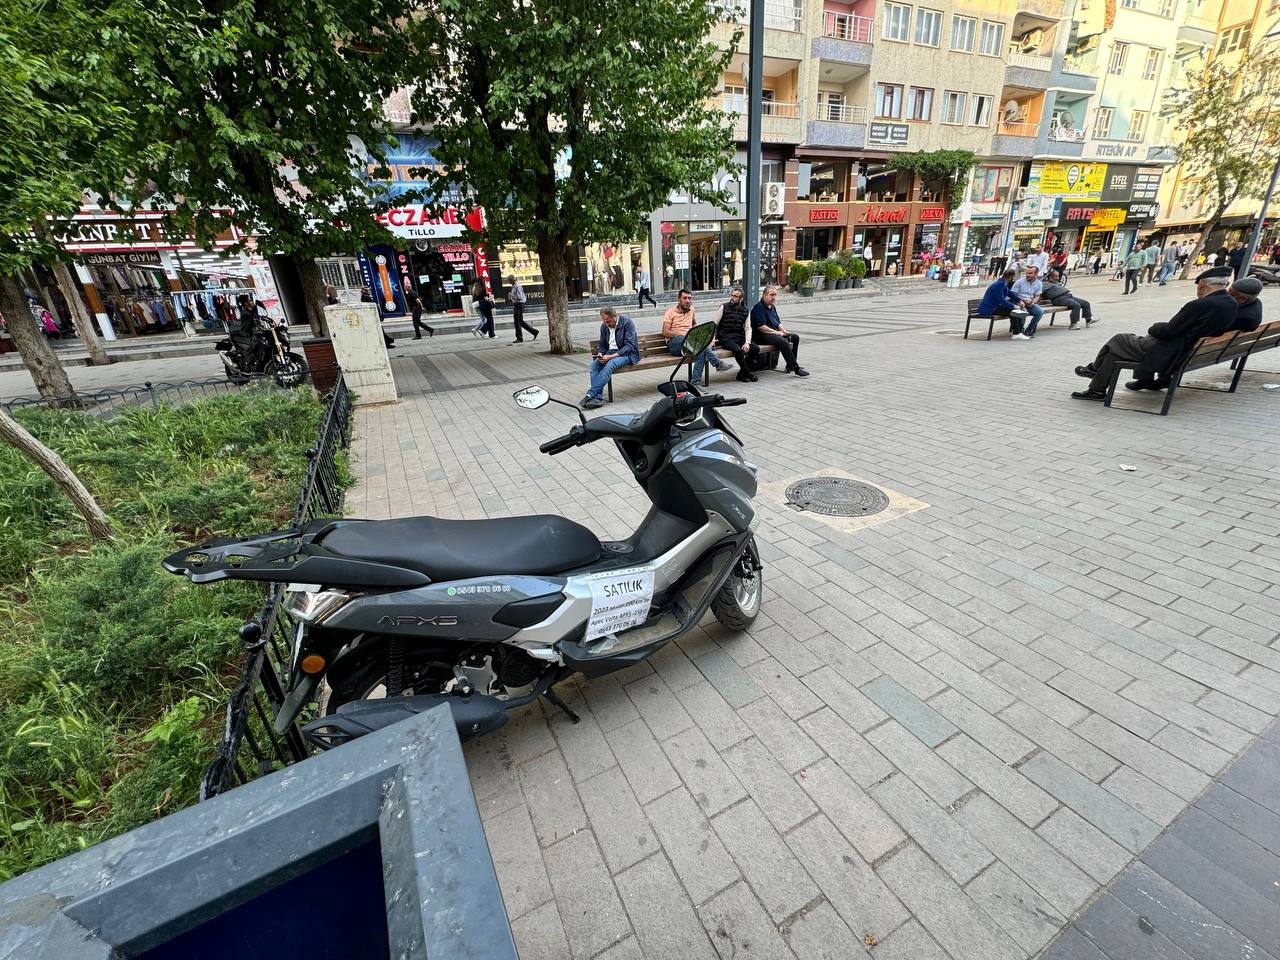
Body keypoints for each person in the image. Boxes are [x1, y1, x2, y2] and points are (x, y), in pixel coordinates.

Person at [1070, 271, 1237, 400]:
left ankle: (1093, 371)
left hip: (1170, 352)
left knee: (1120, 339)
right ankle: (1097, 389)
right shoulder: (1231, 303)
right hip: (1190, 351)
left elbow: (1168, 331)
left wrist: (1154, 327)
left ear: (1202, 286)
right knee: (1116, 352)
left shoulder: (1200, 305)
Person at [663, 289, 732, 382]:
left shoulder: (692, 309)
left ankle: (695, 382)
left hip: (690, 342)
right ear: (679, 299)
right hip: (675, 343)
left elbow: (694, 324)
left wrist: (702, 335)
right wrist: (684, 334)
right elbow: (665, 332)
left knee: (701, 352)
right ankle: (717, 363)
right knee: (699, 345)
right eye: (685, 298)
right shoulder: (670, 312)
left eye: (689, 298)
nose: (687, 300)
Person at [583, 306, 639, 408]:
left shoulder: (627, 323)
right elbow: (603, 344)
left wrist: (611, 357)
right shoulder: (604, 326)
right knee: (594, 366)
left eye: (608, 321)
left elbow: (629, 346)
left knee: (610, 365)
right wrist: (600, 353)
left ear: (615, 316)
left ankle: (591, 395)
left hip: (627, 354)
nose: (606, 324)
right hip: (610, 352)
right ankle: (597, 398)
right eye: (604, 321)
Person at [750, 285, 809, 376]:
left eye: (775, 295)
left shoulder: (772, 307)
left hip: (772, 334)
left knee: (795, 337)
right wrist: (778, 333)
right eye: (771, 295)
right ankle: (795, 369)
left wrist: (784, 331)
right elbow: (761, 327)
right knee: (782, 341)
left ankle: (789, 365)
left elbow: (778, 323)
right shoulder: (758, 307)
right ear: (764, 295)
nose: (774, 297)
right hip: (761, 335)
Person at [713, 286, 760, 383]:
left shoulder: (746, 310)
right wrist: (712, 339)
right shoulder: (723, 307)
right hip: (725, 337)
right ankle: (747, 372)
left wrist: (747, 342)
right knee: (737, 350)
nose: (733, 298)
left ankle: (741, 375)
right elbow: (714, 324)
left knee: (755, 348)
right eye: (732, 295)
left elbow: (748, 328)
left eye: (736, 296)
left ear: (741, 298)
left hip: (738, 336)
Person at [977, 268, 1027, 336]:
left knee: (1014, 312)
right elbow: (1002, 301)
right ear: (1011, 276)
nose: (1013, 279)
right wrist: (1014, 306)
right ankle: (1017, 333)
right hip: (989, 309)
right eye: (1013, 277)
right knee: (1014, 312)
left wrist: (1019, 300)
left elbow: (1009, 293)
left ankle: (1018, 332)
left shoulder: (1002, 283)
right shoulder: (999, 284)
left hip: (994, 307)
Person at [1011, 264, 1046, 339]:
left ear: (1036, 274)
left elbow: (1037, 296)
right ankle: (1020, 330)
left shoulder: (1039, 283)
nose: (1027, 275)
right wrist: (1021, 301)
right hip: (1019, 302)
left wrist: (1033, 302)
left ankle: (1029, 330)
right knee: (1023, 311)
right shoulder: (1019, 282)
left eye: (1030, 273)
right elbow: (1012, 294)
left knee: (1040, 311)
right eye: (1027, 273)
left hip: (1030, 303)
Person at [506, 275, 538, 343]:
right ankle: (534, 332)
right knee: (520, 321)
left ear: (511, 280)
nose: (508, 282)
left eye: (508, 280)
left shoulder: (518, 286)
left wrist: (511, 295)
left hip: (519, 304)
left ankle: (519, 338)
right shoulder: (514, 286)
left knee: (518, 322)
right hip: (517, 304)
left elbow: (519, 297)